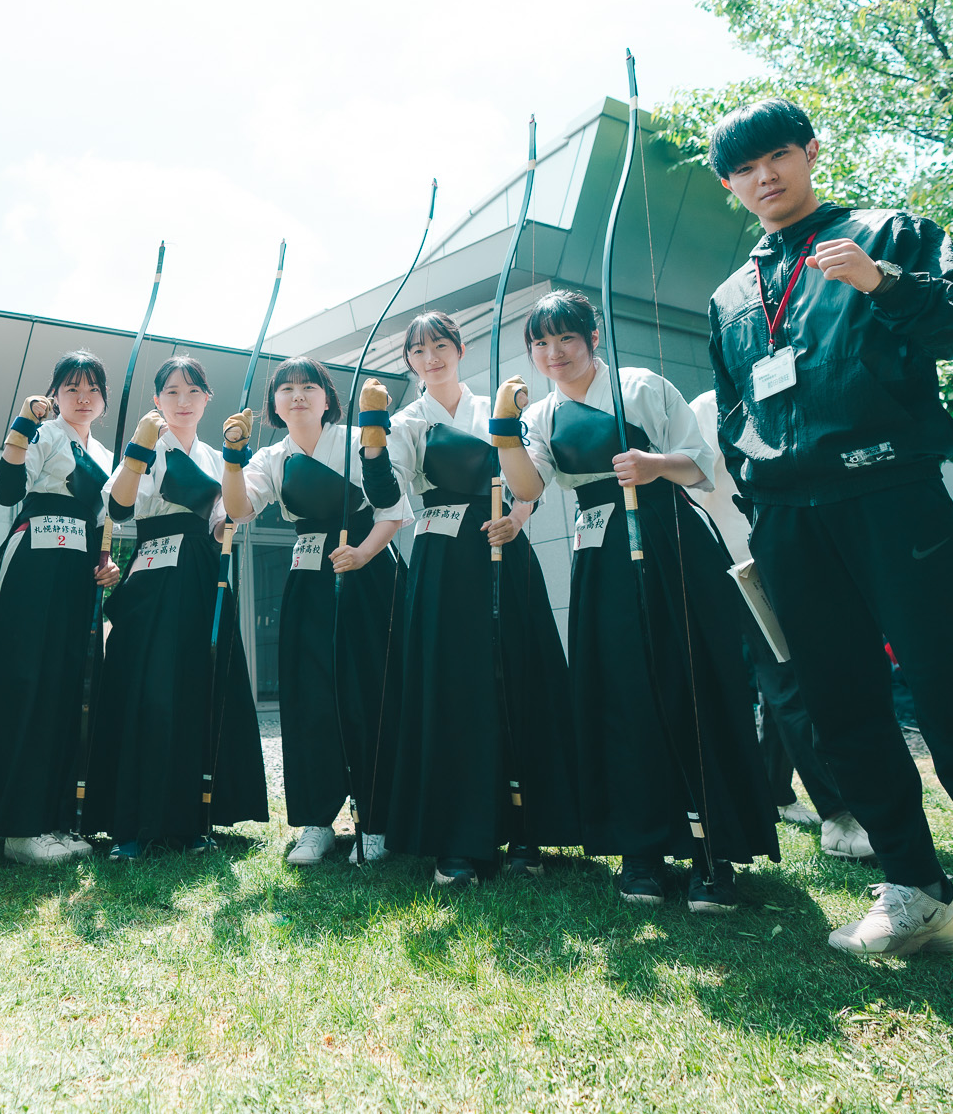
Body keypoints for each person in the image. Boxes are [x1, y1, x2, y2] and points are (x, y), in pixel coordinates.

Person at [704, 98, 953, 1018]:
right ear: (730, 185)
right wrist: (759, 500)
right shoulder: (731, 295)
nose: (763, 177)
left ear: (809, 152)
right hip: (790, 521)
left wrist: (885, 284)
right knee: (839, 712)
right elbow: (735, 407)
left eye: (777, 155)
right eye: (743, 169)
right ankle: (915, 887)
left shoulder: (887, 232)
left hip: (891, 494)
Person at [502, 292, 777, 913]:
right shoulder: (538, 416)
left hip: (668, 537)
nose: (554, 353)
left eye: (566, 338)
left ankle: (713, 851)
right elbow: (529, 486)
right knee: (618, 691)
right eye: (541, 343)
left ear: (592, 337)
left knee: (690, 682)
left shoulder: (642, 386)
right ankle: (641, 846)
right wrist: (504, 433)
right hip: (600, 554)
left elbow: (699, 463)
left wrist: (653, 464)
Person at [358, 312, 579, 888]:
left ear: (459, 348)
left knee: (518, 674)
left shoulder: (497, 406)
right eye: (418, 351)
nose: (430, 358)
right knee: (451, 687)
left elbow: (530, 477)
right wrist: (373, 439)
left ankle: (529, 825)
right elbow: (386, 495)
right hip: (442, 564)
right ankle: (458, 837)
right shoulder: (405, 421)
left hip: (503, 548)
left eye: (440, 345)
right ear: (408, 361)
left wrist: (517, 518)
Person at [222, 357, 411, 866]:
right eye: (286, 389)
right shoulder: (270, 456)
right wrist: (233, 460)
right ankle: (316, 822)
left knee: (370, 690)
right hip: (308, 576)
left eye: (309, 386)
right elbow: (239, 510)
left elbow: (393, 509)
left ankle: (377, 820)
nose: (298, 395)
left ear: (328, 398)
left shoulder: (357, 439)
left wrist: (363, 554)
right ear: (274, 404)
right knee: (309, 694)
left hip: (368, 570)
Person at [85, 356, 268, 858]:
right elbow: (118, 508)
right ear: (156, 400)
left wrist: (233, 477)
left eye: (192, 392)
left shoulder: (215, 455)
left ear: (207, 398)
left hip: (203, 575)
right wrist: (138, 450)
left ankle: (194, 819)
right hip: (151, 575)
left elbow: (226, 518)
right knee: (145, 690)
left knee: (198, 688)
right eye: (171, 392)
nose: (182, 401)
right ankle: (132, 823)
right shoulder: (148, 444)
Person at [687, 390, 873, 862]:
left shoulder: (788, 392)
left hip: (800, 552)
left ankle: (775, 790)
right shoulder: (709, 406)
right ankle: (838, 815)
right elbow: (693, 482)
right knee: (788, 681)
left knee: (788, 684)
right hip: (745, 565)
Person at [0, 351, 120, 865]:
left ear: (104, 399)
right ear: (54, 394)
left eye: (93, 389)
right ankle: (19, 825)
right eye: (71, 388)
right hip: (33, 561)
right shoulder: (43, 433)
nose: (83, 398)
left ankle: (56, 818)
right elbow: (6, 489)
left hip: (78, 572)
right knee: (27, 679)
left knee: (68, 686)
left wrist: (106, 564)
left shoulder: (105, 453)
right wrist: (21, 427)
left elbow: (106, 518)